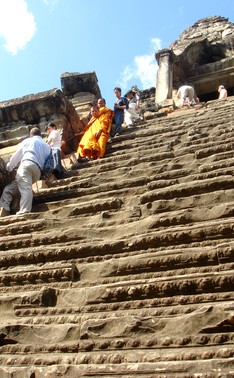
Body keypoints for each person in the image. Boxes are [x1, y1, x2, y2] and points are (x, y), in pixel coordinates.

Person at [0, 127, 51, 216]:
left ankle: (25, 211)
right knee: (9, 189)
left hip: (27, 165)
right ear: (40, 135)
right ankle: (5, 208)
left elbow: (17, 155)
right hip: (37, 172)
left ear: (31, 135)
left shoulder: (28, 141)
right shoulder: (47, 146)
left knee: (25, 188)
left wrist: (9, 167)